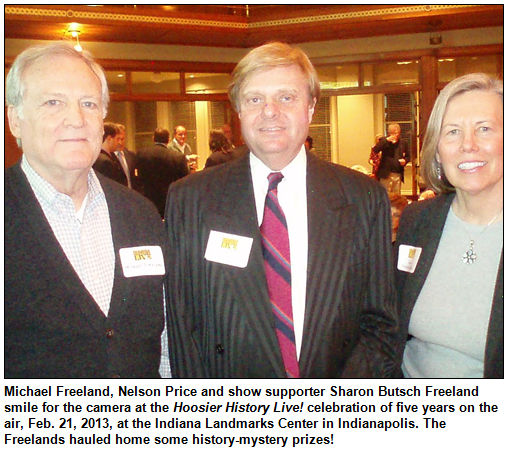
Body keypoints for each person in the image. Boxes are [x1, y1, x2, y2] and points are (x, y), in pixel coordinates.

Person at [165, 42, 398, 378]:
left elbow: (380, 324)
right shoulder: (191, 199)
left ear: (311, 107)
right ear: (239, 111)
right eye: (254, 99)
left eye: (286, 97)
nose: (269, 110)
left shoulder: (363, 198)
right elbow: (182, 328)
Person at [5, 42, 170, 378]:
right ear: (15, 121)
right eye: (53, 103)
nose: (76, 119)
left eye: (89, 104)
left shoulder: (141, 215)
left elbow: (163, 341)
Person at [395, 73, 503, 378]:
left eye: (484, 129)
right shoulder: (418, 220)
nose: (468, 145)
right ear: (438, 153)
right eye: (452, 132)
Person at [137, 127, 190, 218]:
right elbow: (185, 181)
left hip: (148, 199)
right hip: (170, 201)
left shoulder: (141, 154)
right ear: (168, 140)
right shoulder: (177, 157)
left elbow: (139, 177)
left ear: (153, 138)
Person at [374, 123, 410, 193]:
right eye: (394, 133)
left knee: (396, 195)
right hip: (386, 174)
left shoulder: (403, 143)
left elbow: (408, 156)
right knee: (386, 194)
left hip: (397, 173)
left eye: (397, 133)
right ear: (390, 133)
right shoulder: (384, 141)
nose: (396, 135)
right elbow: (376, 149)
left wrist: (405, 161)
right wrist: (387, 140)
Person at [93, 122, 128, 186]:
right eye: (117, 139)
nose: (119, 143)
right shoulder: (105, 162)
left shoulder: (96, 156)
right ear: (109, 139)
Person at [115, 123, 143, 193]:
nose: (120, 142)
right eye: (117, 139)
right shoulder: (109, 157)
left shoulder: (131, 155)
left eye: (122, 139)